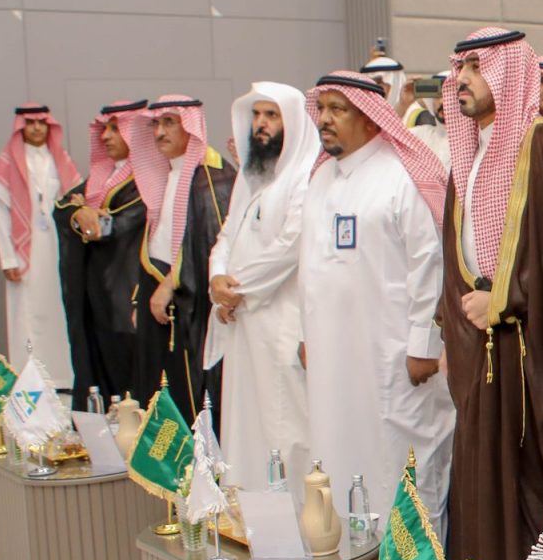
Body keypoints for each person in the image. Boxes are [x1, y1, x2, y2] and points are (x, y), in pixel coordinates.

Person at [439, 30, 543, 560]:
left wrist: (502, 299)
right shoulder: (467, 153)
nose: (463, 79)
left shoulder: (541, 145)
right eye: (461, 67)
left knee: (528, 485)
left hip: (527, 353)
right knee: (480, 479)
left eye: (477, 67)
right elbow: (453, 256)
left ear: (505, 73)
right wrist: (456, 323)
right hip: (478, 348)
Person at [299, 72, 454, 530]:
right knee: (338, 455)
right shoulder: (320, 178)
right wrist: (306, 337)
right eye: (321, 108)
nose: (324, 119)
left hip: (393, 360)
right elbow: (309, 272)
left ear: (369, 117)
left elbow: (430, 263)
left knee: (403, 466)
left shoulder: (401, 175)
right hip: (333, 362)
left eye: (337, 109)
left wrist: (424, 345)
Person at [205, 84, 315, 488]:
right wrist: (217, 279)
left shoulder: (303, 176)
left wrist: (238, 290)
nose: (261, 124)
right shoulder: (251, 176)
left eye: (271, 115)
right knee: (245, 423)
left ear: (292, 122)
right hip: (243, 324)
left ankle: (298, 517)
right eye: (256, 115)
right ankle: (249, 511)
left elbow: (290, 246)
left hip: (280, 323)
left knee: (285, 426)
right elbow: (227, 236)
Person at [125, 96, 234, 417]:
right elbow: (157, 242)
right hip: (160, 302)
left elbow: (213, 246)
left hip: (192, 305)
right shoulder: (166, 173)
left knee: (191, 396)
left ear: (190, 125)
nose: (160, 132)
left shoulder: (212, 177)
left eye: (169, 122)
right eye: (156, 124)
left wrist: (172, 283)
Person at [0, 105, 79, 386]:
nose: (36, 128)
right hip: (24, 253)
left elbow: (76, 199)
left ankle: (63, 376)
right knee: (26, 312)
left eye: (41, 122)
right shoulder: (8, 163)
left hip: (58, 249)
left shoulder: (60, 159)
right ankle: (30, 379)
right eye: (30, 123)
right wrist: (8, 258)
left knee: (60, 309)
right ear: (20, 127)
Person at [58, 101, 147, 401]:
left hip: (128, 294)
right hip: (98, 296)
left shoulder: (148, 178)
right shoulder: (102, 178)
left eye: (115, 129)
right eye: (104, 129)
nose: (105, 136)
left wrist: (85, 216)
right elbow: (63, 207)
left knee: (131, 378)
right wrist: (78, 214)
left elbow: (116, 225)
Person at [363, 46, 444, 155]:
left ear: (394, 83)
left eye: (379, 84)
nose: (373, 90)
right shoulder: (368, 115)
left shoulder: (418, 116)